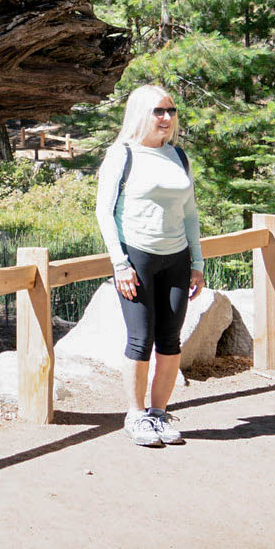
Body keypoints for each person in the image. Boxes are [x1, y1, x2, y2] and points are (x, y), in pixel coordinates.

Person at [96, 83, 204, 447]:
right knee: (141, 340)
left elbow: (190, 213)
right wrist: (120, 264)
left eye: (171, 111)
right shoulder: (121, 155)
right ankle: (135, 414)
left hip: (176, 258)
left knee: (170, 341)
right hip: (136, 258)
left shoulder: (178, 156)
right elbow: (104, 213)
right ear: (141, 113)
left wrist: (198, 261)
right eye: (159, 111)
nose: (166, 118)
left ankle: (159, 414)